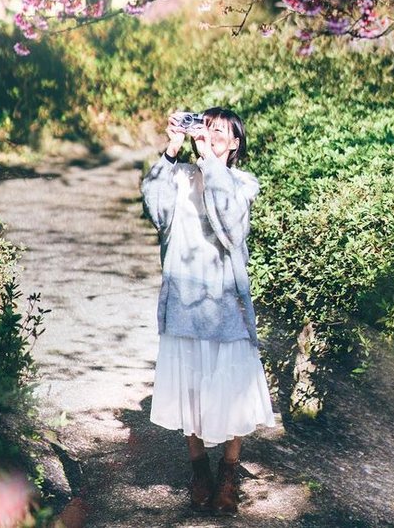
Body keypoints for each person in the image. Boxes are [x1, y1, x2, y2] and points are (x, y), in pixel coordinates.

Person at [141, 106, 275, 514]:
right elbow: (156, 212)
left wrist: (210, 164)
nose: (212, 134)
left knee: (232, 387)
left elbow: (230, 228)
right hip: (183, 299)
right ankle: (200, 469)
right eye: (207, 128)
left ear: (235, 143)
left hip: (224, 304)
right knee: (191, 388)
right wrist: (171, 151)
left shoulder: (241, 183)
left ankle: (229, 474)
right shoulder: (179, 177)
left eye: (221, 131)